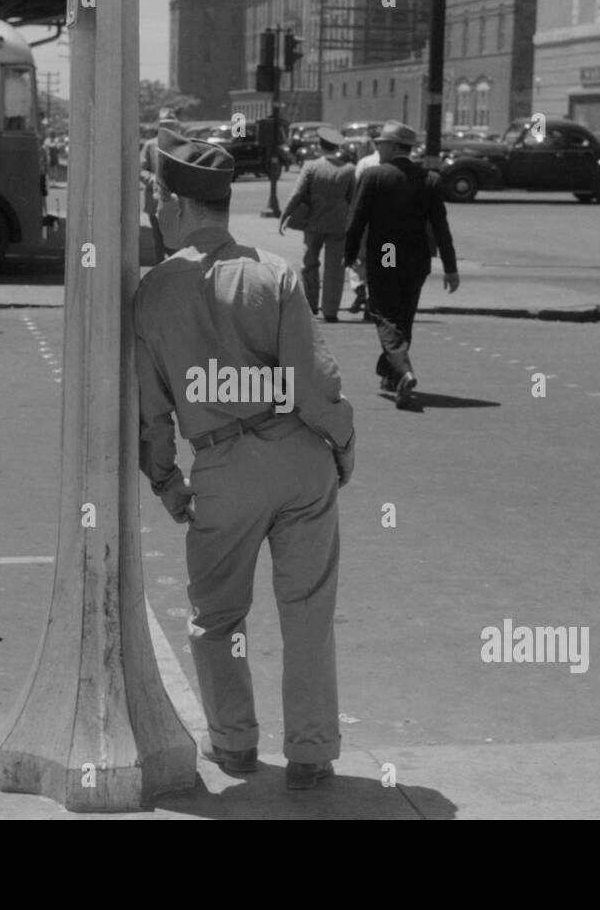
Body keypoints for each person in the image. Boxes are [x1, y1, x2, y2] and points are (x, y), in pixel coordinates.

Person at [133, 126, 355, 791]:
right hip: (297, 456)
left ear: (176, 206)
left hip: (222, 469)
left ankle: (233, 743)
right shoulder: (275, 273)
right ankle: (312, 751)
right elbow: (316, 384)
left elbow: (152, 414)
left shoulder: (153, 293)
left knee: (218, 617)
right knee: (308, 611)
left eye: (156, 200)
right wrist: (340, 447)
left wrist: (170, 485)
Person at [344, 120, 459, 410]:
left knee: (384, 313)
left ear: (394, 146)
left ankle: (403, 371)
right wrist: (450, 266)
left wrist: (349, 255)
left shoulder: (374, 176)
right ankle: (391, 374)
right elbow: (441, 227)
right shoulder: (429, 179)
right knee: (403, 316)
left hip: (387, 252)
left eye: (381, 143)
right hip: (416, 257)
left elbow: (356, 220)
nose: (377, 147)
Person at [279, 127, 356, 321]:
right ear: (337, 146)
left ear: (320, 146)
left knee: (309, 265)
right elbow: (353, 200)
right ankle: (331, 311)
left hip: (313, 224)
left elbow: (297, 193)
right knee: (335, 269)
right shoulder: (348, 170)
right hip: (339, 226)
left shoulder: (311, 166)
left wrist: (285, 215)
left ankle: (311, 306)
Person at [345, 139, 381, 317]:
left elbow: (356, 195)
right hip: (389, 228)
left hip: (365, 222)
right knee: (386, 262)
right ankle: (374, 301)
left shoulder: (365, 163)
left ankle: (360, 291)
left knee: (357, 260)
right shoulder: (398, 165)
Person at [139, 107, 178, 264]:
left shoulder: (182, 145)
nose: (168, 128)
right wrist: (152, 178)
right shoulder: (150, 145)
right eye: (164, 124)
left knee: (176, 235)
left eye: (171, 124)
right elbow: (141, 169)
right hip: (155, 199)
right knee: (158, 236)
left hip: (177, 200)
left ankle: (176, 265)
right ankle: (158, 266)